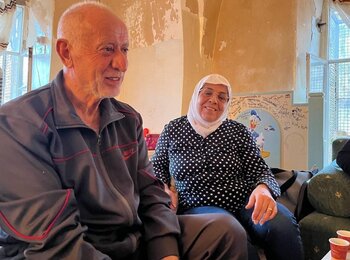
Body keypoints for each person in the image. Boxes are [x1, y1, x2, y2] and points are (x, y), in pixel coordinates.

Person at [0, 3, 246, 260]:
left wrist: (166, 252)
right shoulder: (17, 124)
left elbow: (151, 195)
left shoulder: (128, 119)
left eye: (125, 49)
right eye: (107, 49)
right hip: (69, 249)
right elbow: (54, 243)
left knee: (224, 231)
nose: (122, 63)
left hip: (130, 240)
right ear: (66, 52)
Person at [151, 74, 304, 260]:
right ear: (196, 95)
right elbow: (156, 168)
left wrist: (263, 189)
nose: (214, 100)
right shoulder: (173, 129)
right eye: (207, 93)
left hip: (245, 202)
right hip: (198, 205)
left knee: (282, 226)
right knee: (237, 238)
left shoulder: (237, 131)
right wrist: (164, 189)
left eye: (222, 97)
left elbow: (260, 169)